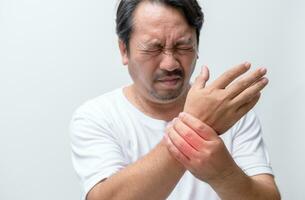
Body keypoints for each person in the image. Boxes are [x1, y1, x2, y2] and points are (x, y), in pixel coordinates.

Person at [70, 0, 281, 199]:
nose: (170, 64)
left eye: (183, 46)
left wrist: (223, 173)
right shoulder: (97, 116)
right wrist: (196, 123)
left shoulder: (231, 114)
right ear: (124, 50)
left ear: (197, 46)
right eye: (153, 47)